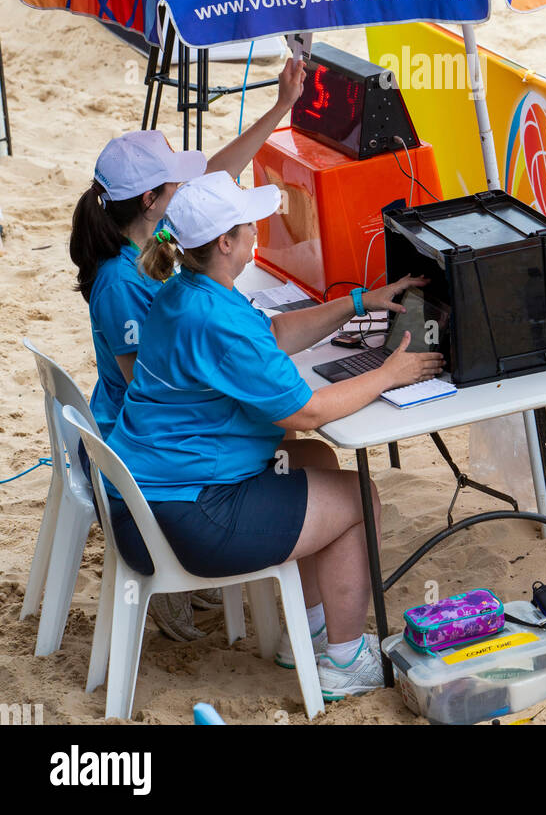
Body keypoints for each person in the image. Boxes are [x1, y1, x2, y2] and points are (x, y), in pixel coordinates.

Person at [104, 171, 443, 698]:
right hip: (188, 519)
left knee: (316, 462)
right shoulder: (214, 317)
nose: (257, 229)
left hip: (153, 497)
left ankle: (306, 633)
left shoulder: (186, 290)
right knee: (361, 497)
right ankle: (347, 661)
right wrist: (388, 375)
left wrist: (361, 301)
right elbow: (305, 412)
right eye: (248, 223)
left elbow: (278, 334)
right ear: (225, 242)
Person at [69, 53, 306, 639]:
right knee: (280, 428)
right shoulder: (122, 281)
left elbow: (214, 180)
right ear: (153, 200)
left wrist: (281, 106)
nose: (188, 184)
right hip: (142, 450)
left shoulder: (147, 245)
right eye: (176, 181)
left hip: (146, 441)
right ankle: (189, 574)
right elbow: (142, 379)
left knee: (279, 432)